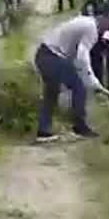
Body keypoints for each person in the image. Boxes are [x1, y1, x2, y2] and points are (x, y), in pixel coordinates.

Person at [34, 13, 105, 142]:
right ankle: (80, 127)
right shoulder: (92, 29)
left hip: (42, 54)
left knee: (51, 93)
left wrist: (88, 77)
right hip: (52, 56)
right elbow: (82, 56)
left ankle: (43, 131)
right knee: (79, 88)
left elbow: (77, 60)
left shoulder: (84, 20)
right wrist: (92, 79)